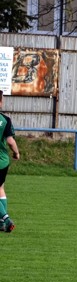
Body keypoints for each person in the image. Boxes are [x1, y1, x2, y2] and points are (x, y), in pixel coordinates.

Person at [0, 92, 20, 232]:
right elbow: (10, 141)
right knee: (0, 187)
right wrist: (16, 153)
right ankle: (1, 223)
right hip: (3, 162)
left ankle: (6, 219)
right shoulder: (5, 119)